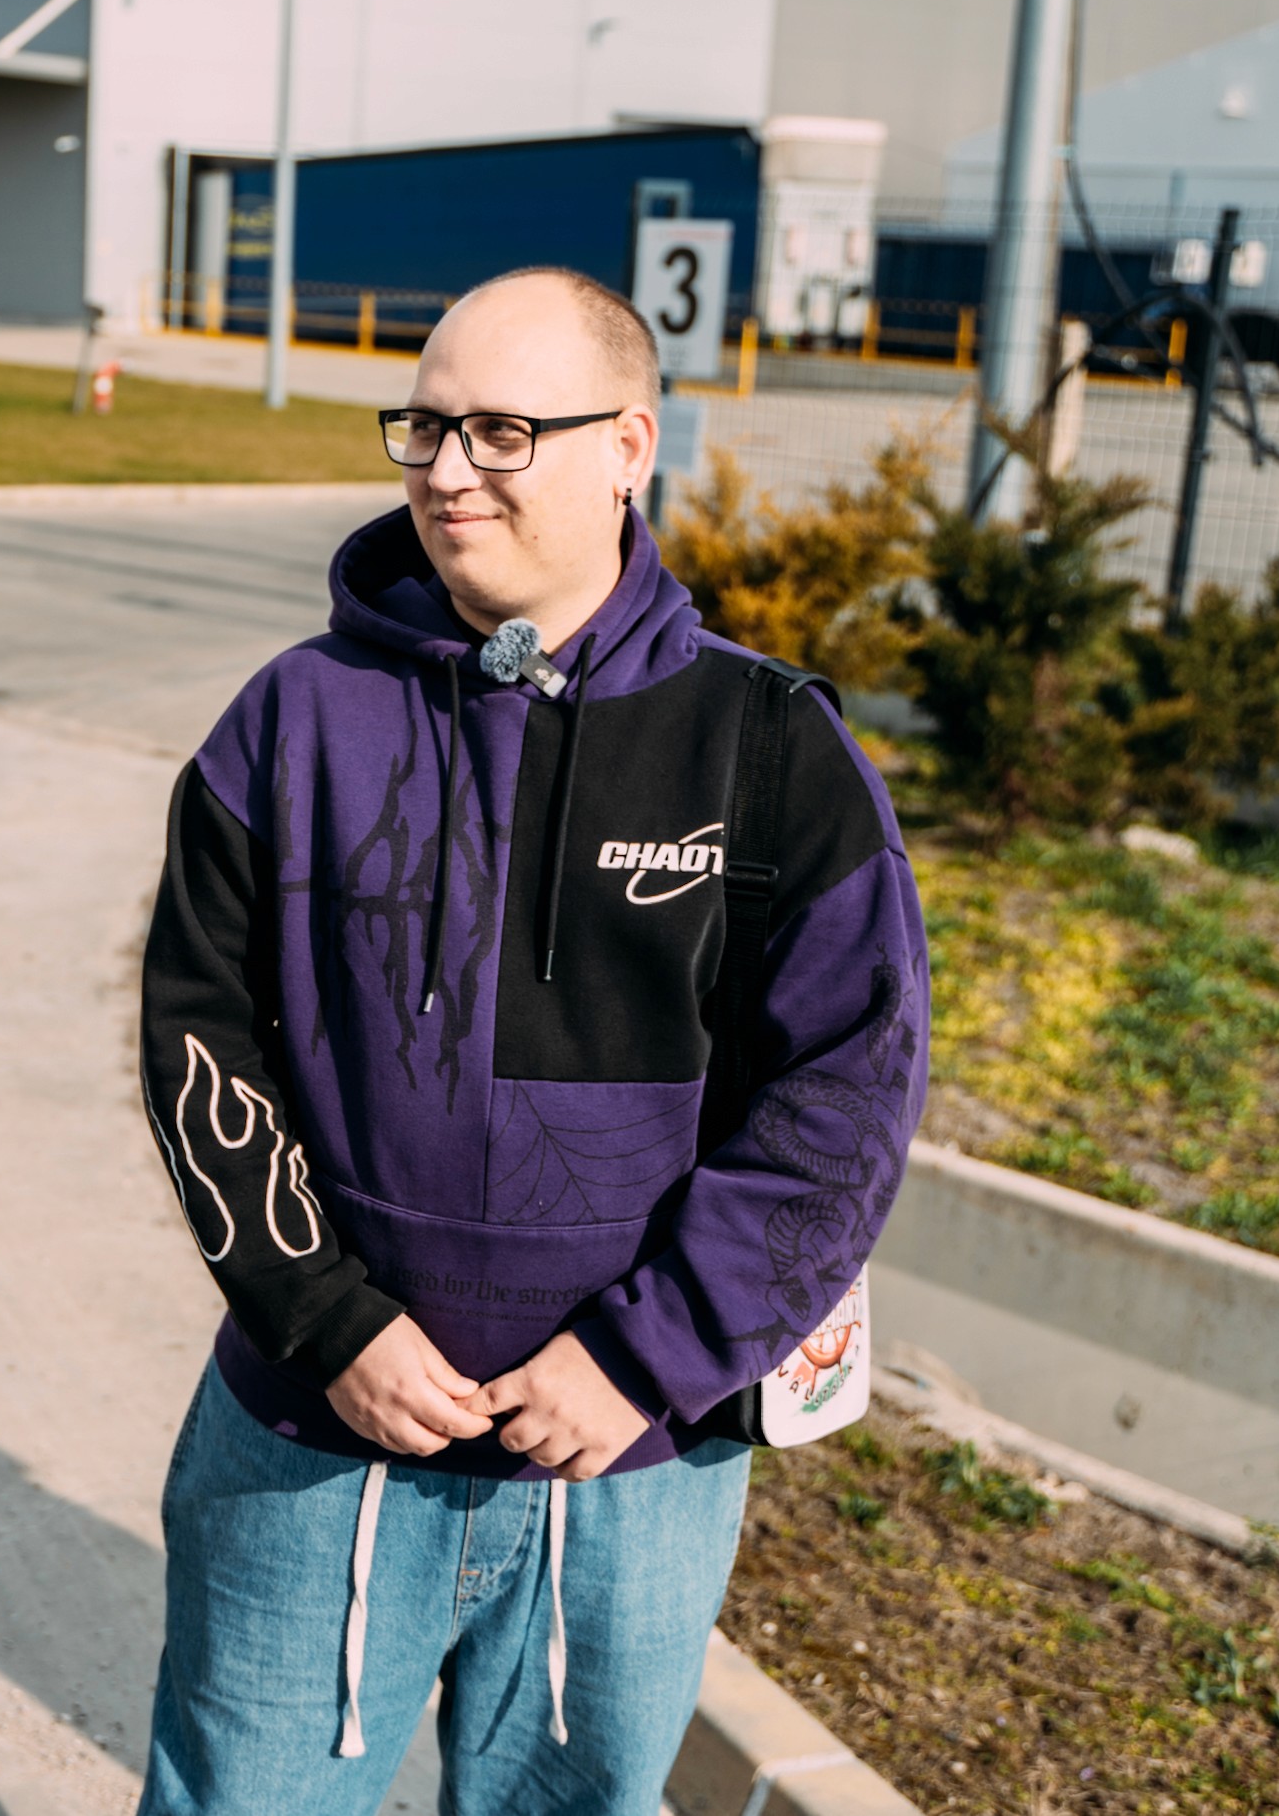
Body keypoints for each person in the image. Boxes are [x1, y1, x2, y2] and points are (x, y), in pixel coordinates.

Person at [133, 268, 926, 1814]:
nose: (444, 471)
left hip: (627, 1474)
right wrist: (327, 1321)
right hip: (314, 1443)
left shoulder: (767, 747)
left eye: (500, 431)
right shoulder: (290, 719)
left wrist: (641, 1356)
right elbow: (199, 1047)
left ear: (628, 445)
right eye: (421, 427)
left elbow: (845, 1096)